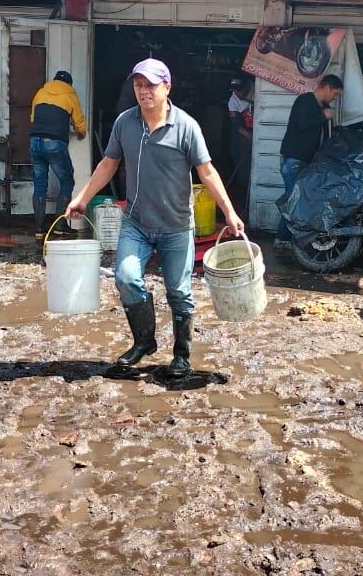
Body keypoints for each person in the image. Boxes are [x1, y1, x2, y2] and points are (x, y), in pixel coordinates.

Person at [64, 58, 244, 378]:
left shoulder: (186, 126)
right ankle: (145, 342)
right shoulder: (125, 123)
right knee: (127, 277)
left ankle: (181, 355)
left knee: (179, 291)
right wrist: (82, 198)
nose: (143, 91)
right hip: (137, 222)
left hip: (176, 226)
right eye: (138, 84)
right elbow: (108, 164)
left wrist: (229, 213)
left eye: (150, 85)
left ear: (167, 87)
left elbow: (208, 172)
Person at [276, 74, 344, 248]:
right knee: (293, 201)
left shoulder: (323, 107)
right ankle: (282, 239)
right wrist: (324, 116)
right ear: (327, 88)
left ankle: (288, 239)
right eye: (335, 94)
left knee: (297, 200)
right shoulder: (305, 100)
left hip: (306, 161)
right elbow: (302, 124)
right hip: (294, 160)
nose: (335, 99)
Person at [29, 69, 88, 237]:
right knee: (67, 180)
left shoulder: (40, 93)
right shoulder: (70, 95)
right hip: (54, 142)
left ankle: (39, 229)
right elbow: (79, 123)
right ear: (69, 84)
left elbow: (33, 118)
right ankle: (60, 225)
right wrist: (82, 133)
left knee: (40, 184)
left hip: (34, 140)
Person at [227, 77, 254, 210]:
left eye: (240, 91)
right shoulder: (232, 102)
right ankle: (244, 198)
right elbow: (237, 127)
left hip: (249, 133)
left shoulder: (251, 94)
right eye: (236, 91)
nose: (238, 94)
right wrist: (250, 136)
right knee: (242, 166)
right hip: (240, 138)